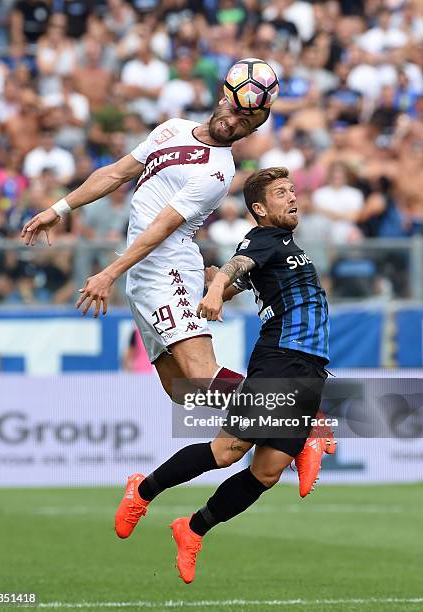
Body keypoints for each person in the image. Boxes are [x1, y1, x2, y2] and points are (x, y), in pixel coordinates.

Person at [21, 61, 323, 496]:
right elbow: (115, 173)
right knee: (182, 391)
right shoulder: (172, 128)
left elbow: (162, 225)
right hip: (144, 276)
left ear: (249, 133)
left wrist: (109, 271)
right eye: (236, 111)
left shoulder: (217, 172)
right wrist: (59, 209)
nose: (234, 123)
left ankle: (300, 422)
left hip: (168, 265)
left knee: (201, 372)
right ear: (224, 96)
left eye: (245, 123)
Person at [114, 167, 334, 583]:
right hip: (281, 357)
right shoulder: (263, 238)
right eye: (281, 193)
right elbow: (239, 262)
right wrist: (216, 290)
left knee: (267, 472)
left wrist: (220, 286)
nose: (292, 197)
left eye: (292, 190)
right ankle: (142, 491)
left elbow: (239, 277)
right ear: (259, 208)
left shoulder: (285, 246)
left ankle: (192, 529)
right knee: (227, 451)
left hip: (309, 365)